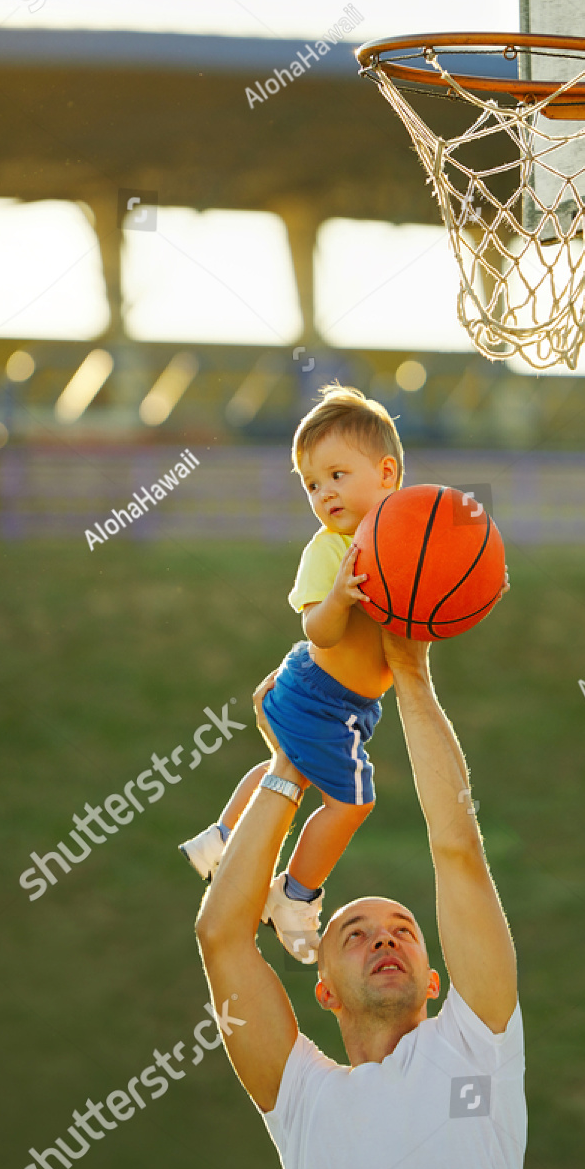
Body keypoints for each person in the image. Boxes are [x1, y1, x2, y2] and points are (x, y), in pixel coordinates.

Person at [194, 631, 526, 1169]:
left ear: (434, 980)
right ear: (325, 993)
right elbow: (223, 937)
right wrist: (290, 765)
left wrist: (411, 672)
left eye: (404, 930)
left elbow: (459, 850)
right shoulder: (300, 1100)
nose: (384, 939)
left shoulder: (479, 1046)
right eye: (353, 934)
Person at [179, 385, 403, 961]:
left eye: (336, 474)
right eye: (311, 484)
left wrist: (473, 588)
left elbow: (430, 606)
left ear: (386, 473)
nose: (323, 492)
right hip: (316, 693)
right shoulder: (331, 551)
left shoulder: (404, 545)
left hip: (346, 705)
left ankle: (225, 837)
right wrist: (340, 598)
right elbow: (319, 632)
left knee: (296, 773)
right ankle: (295, 896)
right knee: (353, 802)